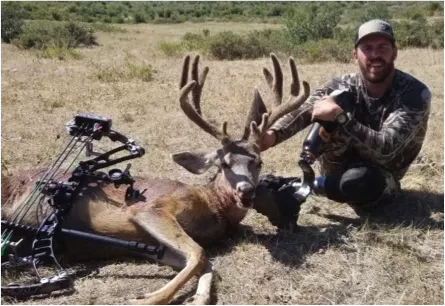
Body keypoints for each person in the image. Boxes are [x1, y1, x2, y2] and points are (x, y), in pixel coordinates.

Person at [260, 19, 432, 211]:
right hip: (336, 165)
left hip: (379, 172)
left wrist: (340, 116)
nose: (375, 55)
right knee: (333, 105)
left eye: (383, 47)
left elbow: (386, 150)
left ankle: (300, 187)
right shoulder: (340, 85)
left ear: (395, 52)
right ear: (355, 55)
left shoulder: (414, 94)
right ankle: (293, 187)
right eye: (367, 48)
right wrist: (272, 136)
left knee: (360, 181)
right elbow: (305, 111)